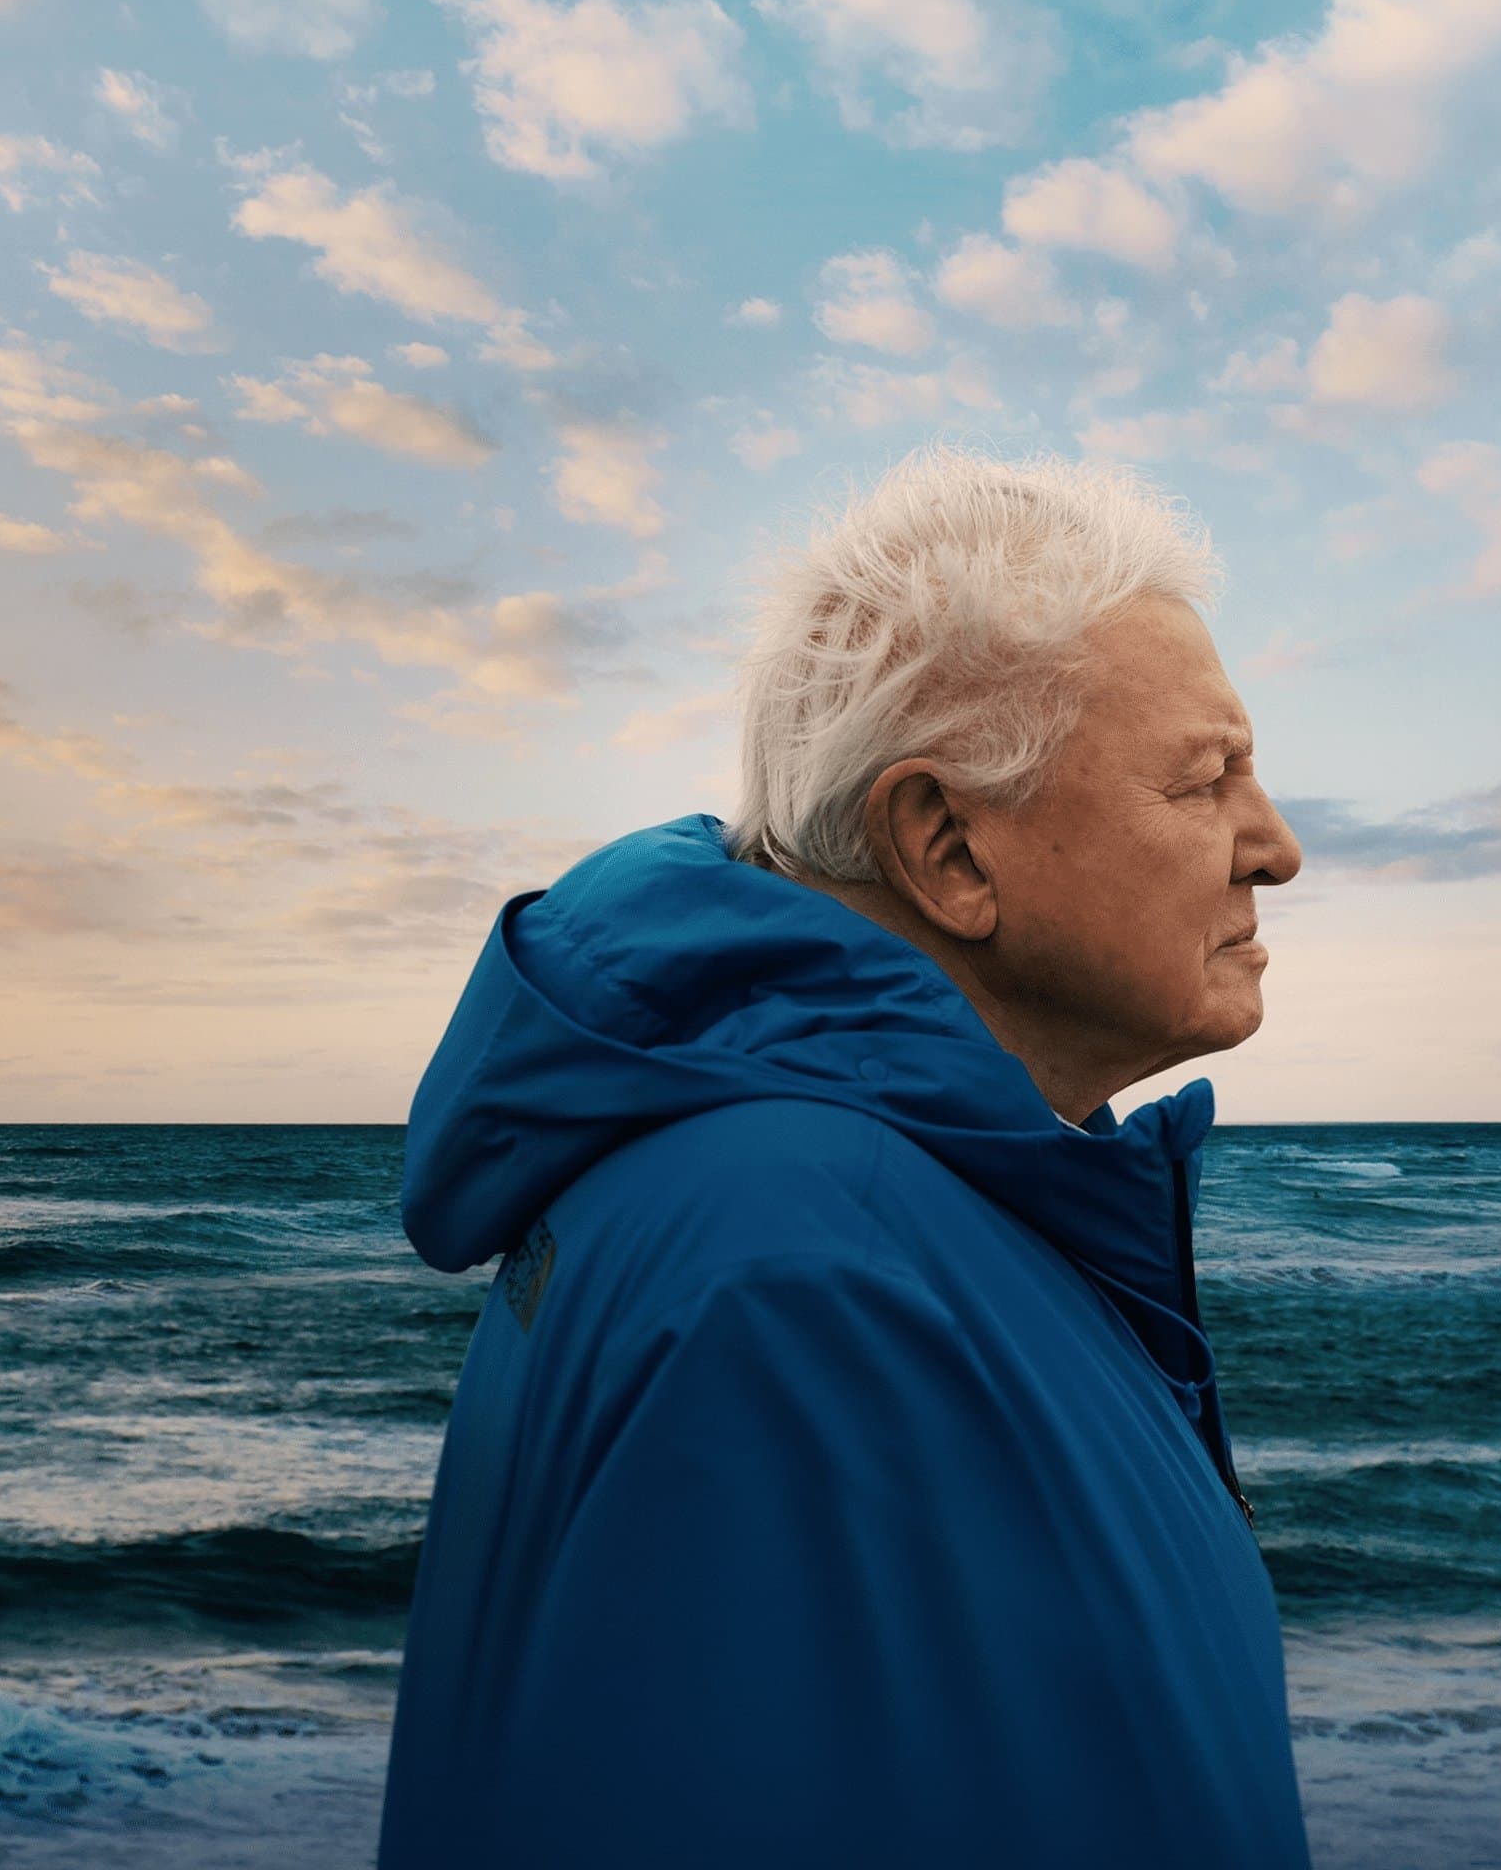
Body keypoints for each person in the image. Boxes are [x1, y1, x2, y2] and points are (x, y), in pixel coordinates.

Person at [377, 448, 1312, 1868]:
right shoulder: (808, 1274)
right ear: (947, 848)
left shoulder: (887, 1211)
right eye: (1206, 781)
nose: (1276, 846)